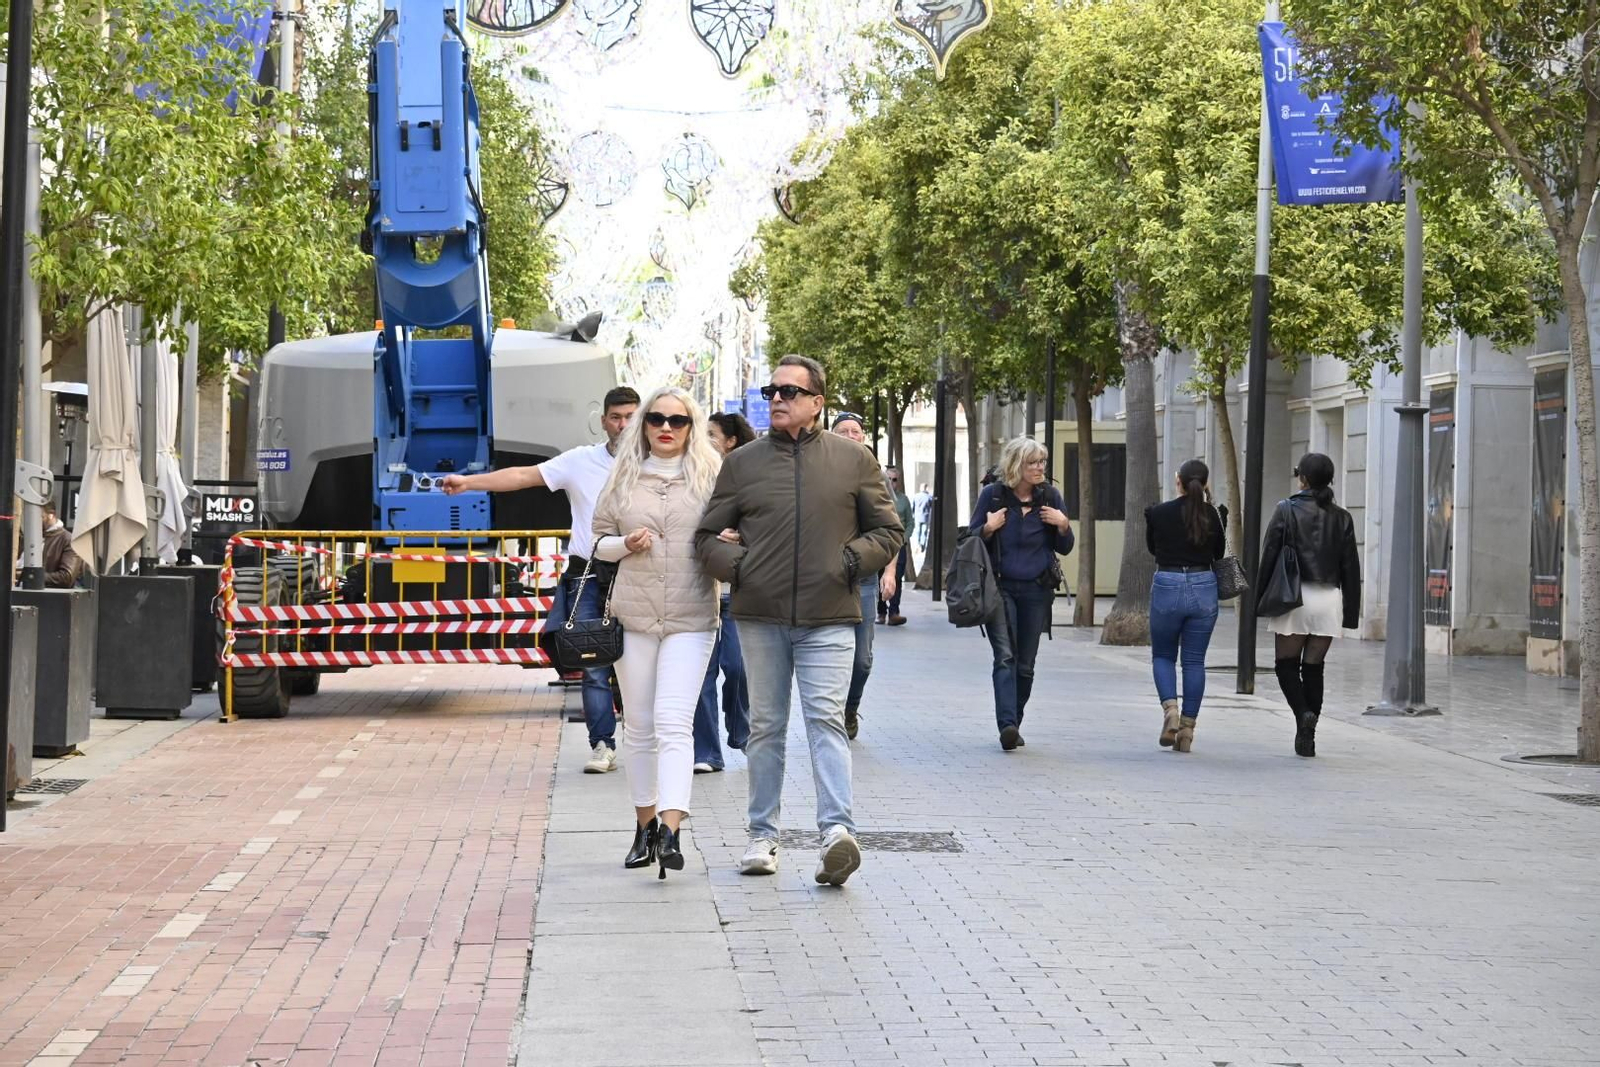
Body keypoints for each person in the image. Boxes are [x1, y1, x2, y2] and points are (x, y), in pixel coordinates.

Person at [695, 356, 903, 886]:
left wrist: (849, 562)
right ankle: (762, 836)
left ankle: (836, 833)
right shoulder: (742, 464)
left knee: (826, 721)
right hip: (760, 616)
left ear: (817, 402)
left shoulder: (854, 459)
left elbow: (888, 531)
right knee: (765, 727)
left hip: (830, 615)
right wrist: (740, 567)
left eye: (790, 391)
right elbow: (705, 537)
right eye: (772, 390)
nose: (778, 399)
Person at [443, 386, 640, 774]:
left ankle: (651, 740)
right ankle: (602, 743)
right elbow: (522, 476)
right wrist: (470, 483)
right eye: (616, 417)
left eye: (632, 417)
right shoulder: (580, 462)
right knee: (593, 660)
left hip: (641, 574)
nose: (624, 425)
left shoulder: (657, 465)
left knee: (641, 660)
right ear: (603, 422)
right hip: (588, 574)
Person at [592, 386, 722, 879]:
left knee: (673, 720)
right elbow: (596, 541)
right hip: (635, 615)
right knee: (640, 725)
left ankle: (671, 829)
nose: (666, 428)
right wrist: (624, 543)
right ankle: (644, 825)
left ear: (692, 427)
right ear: (644, 426)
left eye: (678, 420)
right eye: (657, 420)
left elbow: (734, 531)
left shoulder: (712, 478)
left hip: (692, 614)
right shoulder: (623, 478)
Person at [969, 437, 1073, 751]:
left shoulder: (1050, 497)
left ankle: (1015, 720)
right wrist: (987, 528)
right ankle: (1007, 725)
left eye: (1042, 461)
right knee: (1005, 656)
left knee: (1025, 664)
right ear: (1017, 465)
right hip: (999, 589)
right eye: (1033, 462)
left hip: (1036, 591)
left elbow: (1063, 547)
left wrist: (1064, 524)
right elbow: (970, 540)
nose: (1040, 467)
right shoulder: (993, 495)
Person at [1257, 452, 1361, 758]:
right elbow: (1350, 569)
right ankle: (1308, 736)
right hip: (1329, 598)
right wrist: (1351, 613)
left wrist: (1259, 600)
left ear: (1301, 477)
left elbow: (1269, 556)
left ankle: (1303, 714)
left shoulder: (1286, 509)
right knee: (1314, 668)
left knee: (1285, 666)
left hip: (1293, 597)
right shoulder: (1342, 517)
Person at [1144, 459, 1226, 752]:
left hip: (1167, 583)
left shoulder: (1158, 513)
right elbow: (1218, 553)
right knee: (1194, 661)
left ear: (1177, 480)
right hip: (1204, 586)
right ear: (1205, 483)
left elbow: (1153, 549)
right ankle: (1188, 730)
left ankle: (1170, 711)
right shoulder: (1214, 516)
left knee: (1163, 656)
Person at [691, 412, 757, 774]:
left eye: (712, 434)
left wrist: (742, 535)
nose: (705, 440)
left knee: (739, 667)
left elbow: (763, 521)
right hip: (700, 590)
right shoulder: (694, 475)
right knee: (702, 673)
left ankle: (741, 731)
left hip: (737, 590)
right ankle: (706, 752)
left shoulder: (747, 474)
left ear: (730, 440)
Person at [829, 411, 896, 741]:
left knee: (863, 659)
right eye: (843, 431)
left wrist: (891, 572)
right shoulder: (820, 471)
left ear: (864, 438)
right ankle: (830, 713)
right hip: (827, 577)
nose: (850, 435)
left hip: (865, 578)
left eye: (856, 431)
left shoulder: (875, 477)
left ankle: (850, 709)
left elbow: (891, 528)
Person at [878, 466, 912, 626]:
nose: (891, 482)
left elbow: (910, 523)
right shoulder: (877, 497)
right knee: (879, 576)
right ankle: (881, 612)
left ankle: (894, 612)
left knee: (896, 577)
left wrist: (903, 539)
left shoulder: (903, 500)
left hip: (898, 544)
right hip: (881, 544)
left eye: (894, 479)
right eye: (889, 479)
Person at [40, 502, 84, 588]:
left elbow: (67, 577)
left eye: (40, 517)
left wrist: (35, 577)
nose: (34, 521)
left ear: (51, 515)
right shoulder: (33, 537)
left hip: (51, 596)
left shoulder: (68, 540)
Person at [913, 483, 932, 552]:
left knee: (917, 531)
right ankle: (922, 546)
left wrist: (912, 515)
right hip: (925, 517)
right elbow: (931, 506)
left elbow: (913, 506)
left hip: (917, 517)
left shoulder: (916, 496)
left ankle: (917, 544)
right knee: (924, 532)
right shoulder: (929, 497)